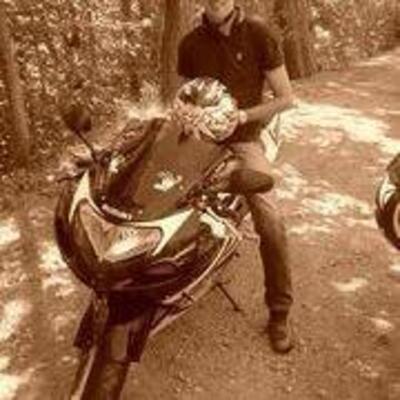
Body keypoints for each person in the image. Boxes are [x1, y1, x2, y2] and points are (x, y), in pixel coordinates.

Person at [177, 0, 296, 353]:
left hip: (245, 140)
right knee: (165, 198)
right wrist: (184, 120)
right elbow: (184, 98)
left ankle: (279, 312)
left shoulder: (258, 33)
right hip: (199, 143)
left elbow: (286, 98)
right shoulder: (190, 43)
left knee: (271, 222)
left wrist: (243, 117)